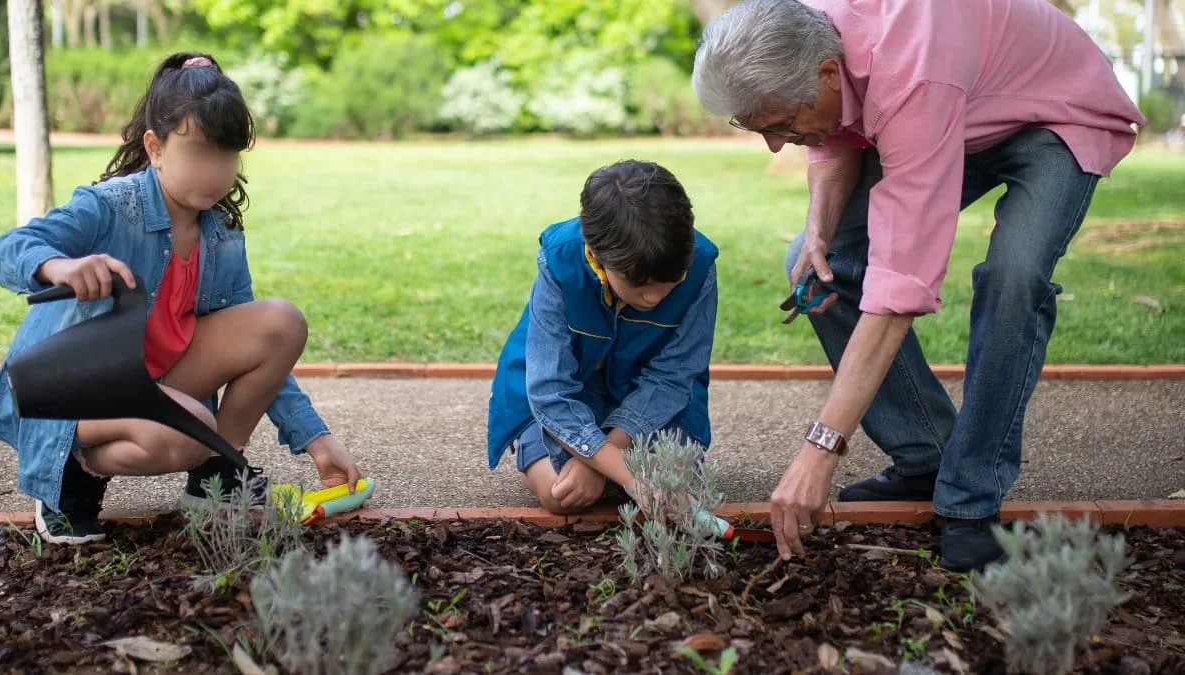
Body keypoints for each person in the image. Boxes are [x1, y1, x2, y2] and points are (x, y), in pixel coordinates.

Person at [691, 0, 1145, 571]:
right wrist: (818, 230)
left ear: (828, 74)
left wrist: (819, 450)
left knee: (1014, 278)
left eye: (781, 124)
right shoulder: (803, 34)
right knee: (816, 264)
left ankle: (971, 498)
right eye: (759, 129)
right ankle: (927, 453)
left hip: (1052, 111)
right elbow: (833, 140)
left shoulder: (910, 72)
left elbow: (897, 290)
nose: (777, 144)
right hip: (958, 98)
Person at [0, 52, 361, 545]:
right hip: (69, 392)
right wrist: (62, 266)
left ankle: (215, 472)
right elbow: (5, 250)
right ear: (155, 147)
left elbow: (254, 346)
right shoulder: (110, 206)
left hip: (153, 379)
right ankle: (73, 474)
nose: (216, 170)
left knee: (281, 322)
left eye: (227, 155)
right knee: (190, 426)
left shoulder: (220, 232)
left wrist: (316, 439)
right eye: (200, 152)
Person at [486, 160, 720, 515]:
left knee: (678, 491)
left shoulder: (701, 266)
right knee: (558, 495)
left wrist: (600, 457)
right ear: (596, 253)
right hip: (564, 397)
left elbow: (671, 379)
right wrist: (631, 475)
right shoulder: (559, 260)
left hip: (652, 402)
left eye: (671, 280)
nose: (654, 298)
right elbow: (550, 390)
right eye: (638, 283)